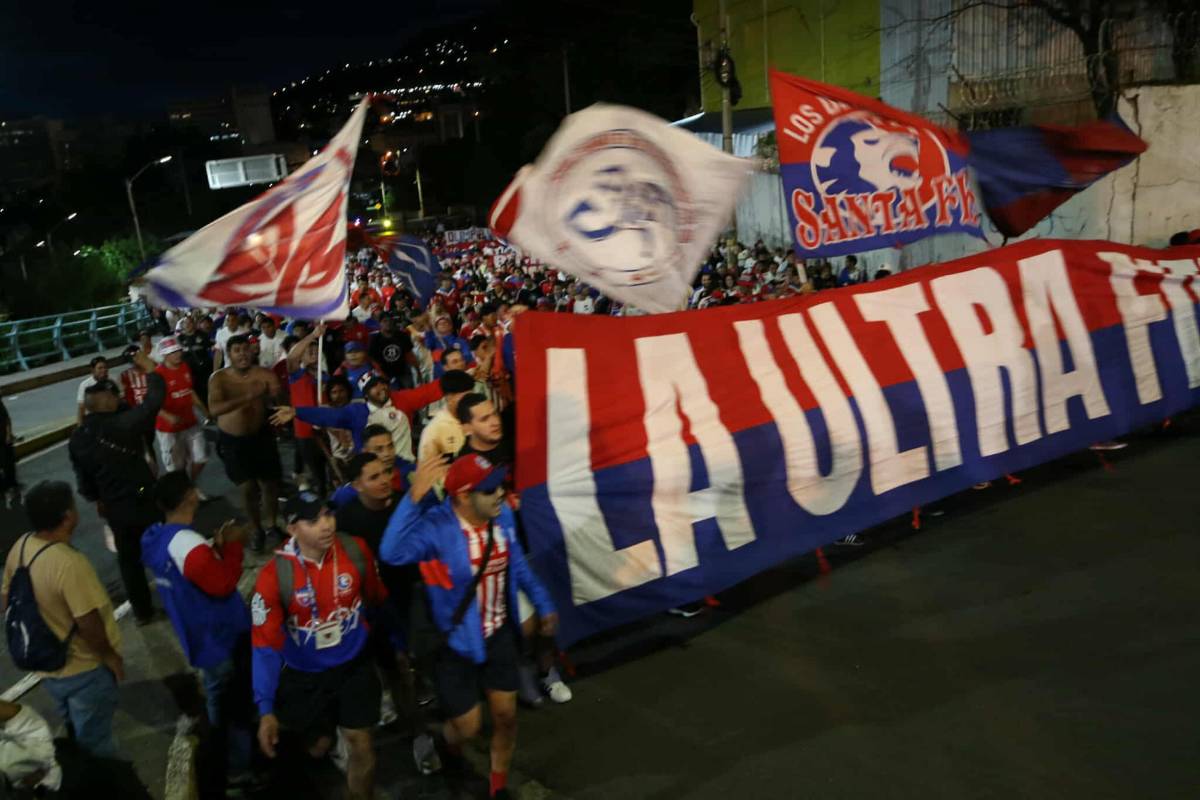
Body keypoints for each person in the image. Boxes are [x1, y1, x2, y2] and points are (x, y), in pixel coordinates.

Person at [380, 454, 557, 800]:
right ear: (462, 496)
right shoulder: (437, 527)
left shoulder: (501, 517)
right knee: (468, 726)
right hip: (455, 645)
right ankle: (449, 747)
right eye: (489, 489)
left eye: (500, 486)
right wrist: (413, 498)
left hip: (498, 635)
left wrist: (544, 604)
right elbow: (391, 552)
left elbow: (517, 566)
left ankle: (497, 787)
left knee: (505, 716)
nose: (500, 494)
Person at [251, 493, 387, 800]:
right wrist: (266, 708)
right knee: (316, 747)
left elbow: (376, 597)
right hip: (305, 675)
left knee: (361, 744)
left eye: (328, 515)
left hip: (354, 665)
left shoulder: (355, 550)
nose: (326, 525)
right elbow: (264, 645)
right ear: (292, 529)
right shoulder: (274, 577)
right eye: (314, 520)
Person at [141, 471, 254, 792]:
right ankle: (238, 770)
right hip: (219, 638)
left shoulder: (156, 538)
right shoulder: (187, 544)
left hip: (198, 639)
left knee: (218, 701)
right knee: (235, 709)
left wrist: (212, 551)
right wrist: (232, 548)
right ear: (190, 496)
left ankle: (221, 756)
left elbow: (191, 574)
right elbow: (220, 584)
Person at [2, 482, 123, 759]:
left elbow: (6, 600)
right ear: (68, 515)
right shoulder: (69, 563)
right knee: (98, 742)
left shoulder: (20, 547)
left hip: (47, 668)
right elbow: (88, 623)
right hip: (83, 669)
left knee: (75, 727)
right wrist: (110, 657)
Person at [68, 350, 164, 624]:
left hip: (112, 504)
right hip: (143, 496)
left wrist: (98, 498)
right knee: (159, 547)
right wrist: (152, 371)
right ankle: (175, 596)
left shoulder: (78, 438)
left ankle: (143, 613)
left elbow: (83, 479)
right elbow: (153, 402)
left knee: (128, 560)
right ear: (105, 402)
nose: (118, 399)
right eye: (114, 396)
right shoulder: (123, 423)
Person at [271, 371, 454, 462]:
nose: (381, 388)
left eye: (383, 384)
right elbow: (329, 416)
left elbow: (428, 391)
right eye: (374, 386)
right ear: (366, 394)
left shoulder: (402, 399)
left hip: (404, 467)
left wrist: (460, 377)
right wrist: (297, 411)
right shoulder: (356, 412)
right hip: (370, 471)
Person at [207, 334, 284, 553]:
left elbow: (279, 399)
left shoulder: (264, 374)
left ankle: (271, 526)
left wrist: (276, 396)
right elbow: (214, 410)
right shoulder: (219, 378)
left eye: (245, 349)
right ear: (229, 354)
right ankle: (256, 529)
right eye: (236, 350)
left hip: (262, 436)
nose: (242, 353)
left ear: (253, 351)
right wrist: (249, 395)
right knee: (248, 488)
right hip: (234, 442)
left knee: (270, 484)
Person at [154, 337, 211, 499]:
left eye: (178, 350)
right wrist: (167, 416)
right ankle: (181, 495)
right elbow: (152, 403)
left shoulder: (185, 367)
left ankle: (190, 485)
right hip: (168, 430)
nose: (178, 354)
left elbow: (189, 390)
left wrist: (204, 409)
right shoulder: (157, 375)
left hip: (190, 422)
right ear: (165, 355)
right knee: (176, 467)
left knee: (201, 457)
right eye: (173, 352)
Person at [417, 370, 475, 466]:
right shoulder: (434, 430)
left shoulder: (478, 417)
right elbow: (427, 474)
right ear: (449, 397)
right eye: (465, 397)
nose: (470, 401)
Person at [368, 313, 415, 389]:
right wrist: (383, 375)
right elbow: (373, 360)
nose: (388, 323)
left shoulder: (402, 335)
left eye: (390, 321)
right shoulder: (375, 340)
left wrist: (417, 370)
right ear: (380, 323)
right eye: (385, 321)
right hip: (385, 374)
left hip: (403, 371)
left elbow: (409, 354)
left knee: (409, 391)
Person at [75, 357, 110, 424]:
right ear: (93, 370)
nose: (104, 370)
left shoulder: (110, 383)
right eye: (100, 368)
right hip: (94, 421)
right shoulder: (85, 385)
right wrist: (80, 427)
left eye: (105, 367)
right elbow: (81, 408)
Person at [0, 397, 19, 509]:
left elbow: (6, 419)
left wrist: (8, 435)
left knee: (8, 464)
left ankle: (12, 486)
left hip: (2, 439)